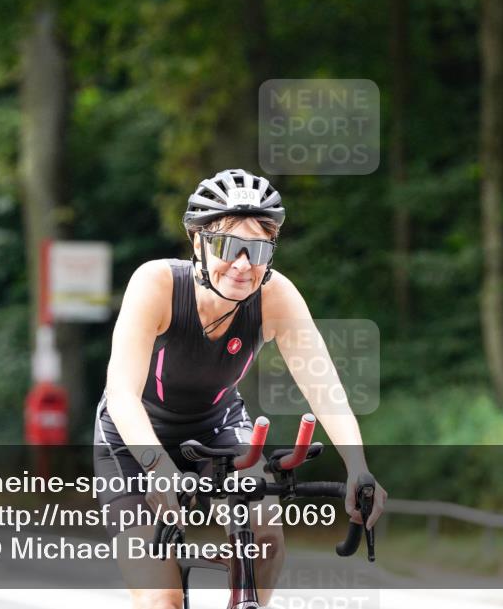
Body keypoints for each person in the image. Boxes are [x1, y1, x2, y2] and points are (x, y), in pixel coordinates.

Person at [93, 169, 387, 609]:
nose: (244, 264)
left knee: (265, 533)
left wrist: (358, 467)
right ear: (199, 244)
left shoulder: (276, 296)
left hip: (219, 428)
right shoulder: (155, 284)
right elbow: (121, 396)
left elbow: (325, 388)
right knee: (160, 598)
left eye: (259, 249)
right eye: (230, 246)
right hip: (133, 441)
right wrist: (156, 466)